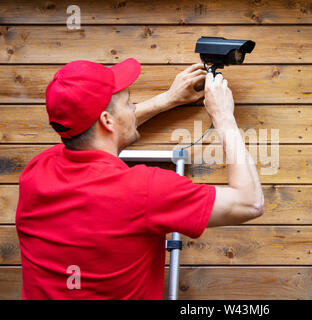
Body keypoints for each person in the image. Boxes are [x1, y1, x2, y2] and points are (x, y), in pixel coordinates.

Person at [15, 58, 264, 299]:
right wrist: (224, 117)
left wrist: (167, 100)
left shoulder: (36, 171)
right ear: (106, 120)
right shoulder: (143, 189)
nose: (134, 108)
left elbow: (93, 130)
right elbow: (249, 202)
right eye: (129, 102)